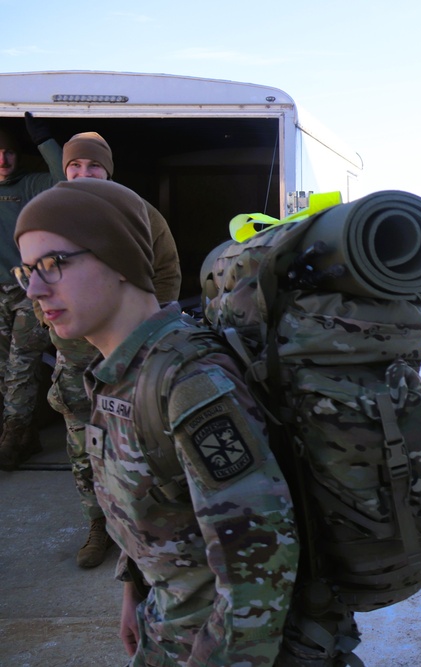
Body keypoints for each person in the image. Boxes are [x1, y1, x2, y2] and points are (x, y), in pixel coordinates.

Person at [14, 178, 299, 665]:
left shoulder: (189, 383)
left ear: (120, 259)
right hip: (166, 625)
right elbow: (154, 501)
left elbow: (258, 564)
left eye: (52, 264)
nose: (35, 290)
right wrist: (136, 591)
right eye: (26, 272)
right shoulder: (117, 371)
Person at [43, 130, 182, 568]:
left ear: (108, 169)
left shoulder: (140, 214)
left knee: (141, 448)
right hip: (76, 358)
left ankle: (139, 534)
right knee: (85, 448)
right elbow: (39, 279)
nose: (85, 173)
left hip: (131, 358)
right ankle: (97, 528)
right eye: (75, 166)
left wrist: (138, 331)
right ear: (64, 171)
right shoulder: (50, 217)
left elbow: (167, 275)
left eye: (93, 165)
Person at [0, 114, 63, 470]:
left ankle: (12, 438)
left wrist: (44, 142)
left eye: (8, 151)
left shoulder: (28, 185)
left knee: (21, 365)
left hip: (27, 290)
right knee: (2, 368)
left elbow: (64, 179)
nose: (3, 159)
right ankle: (28, 436)